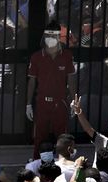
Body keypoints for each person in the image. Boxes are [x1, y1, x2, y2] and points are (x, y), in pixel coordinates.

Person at [26, 24, 76, 157]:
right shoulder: (36, 57)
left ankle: (63, 165)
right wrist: (28, 104)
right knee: (39, 137)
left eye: (53, 35)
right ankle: (37, 163)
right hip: (42, 102)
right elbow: (32, 81)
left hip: (61, 103)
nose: (50, 38)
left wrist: (74, 101)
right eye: (48, 35)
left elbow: (71, 80)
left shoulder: (66, 56)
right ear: (44, 36)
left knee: (63, 138)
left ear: (59, 36)